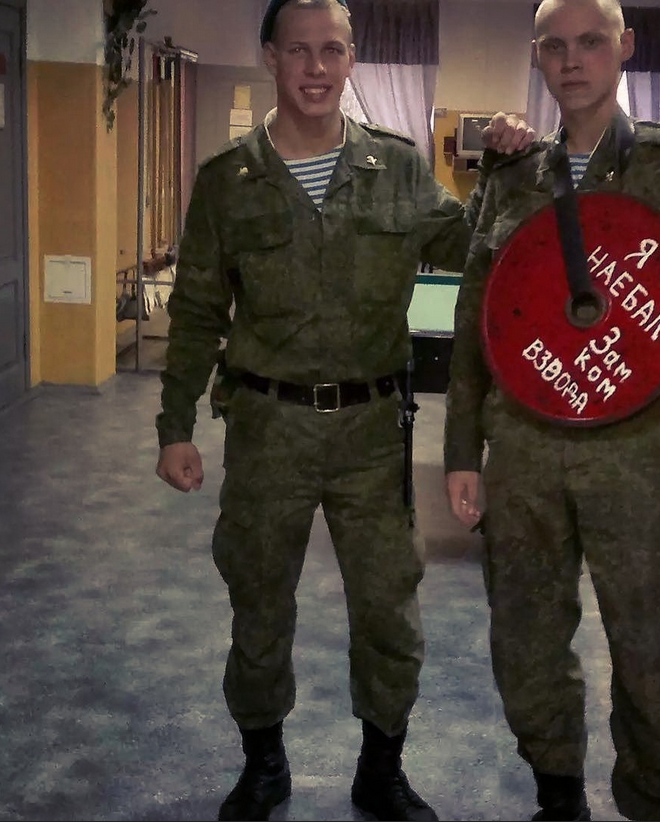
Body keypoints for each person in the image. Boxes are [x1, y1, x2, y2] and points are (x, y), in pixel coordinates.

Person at [154, 1, 533, 820]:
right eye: (299, 50)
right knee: (259, 603)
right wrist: (174, 427)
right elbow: (195, 312)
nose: (316, 68)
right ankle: (263, 764)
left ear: (352, 58)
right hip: (267, 429)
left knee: (388, 608)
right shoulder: (227, 181)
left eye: (331, 50)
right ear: (270, 57)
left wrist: (505, 169)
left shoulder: (394, 167)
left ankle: (380, 771)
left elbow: (469, 246)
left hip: (371, 434)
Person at [444, 1, 660, 820]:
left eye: (590, 42)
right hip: (522, 448)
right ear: (536, 58)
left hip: (638, 451)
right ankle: (558, 797)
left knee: (649, 648)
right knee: (524, 643)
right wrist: (461, 454)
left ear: (625, 48)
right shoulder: (512, 174)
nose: (572, 60)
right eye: (554, 46)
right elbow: (478, 326)